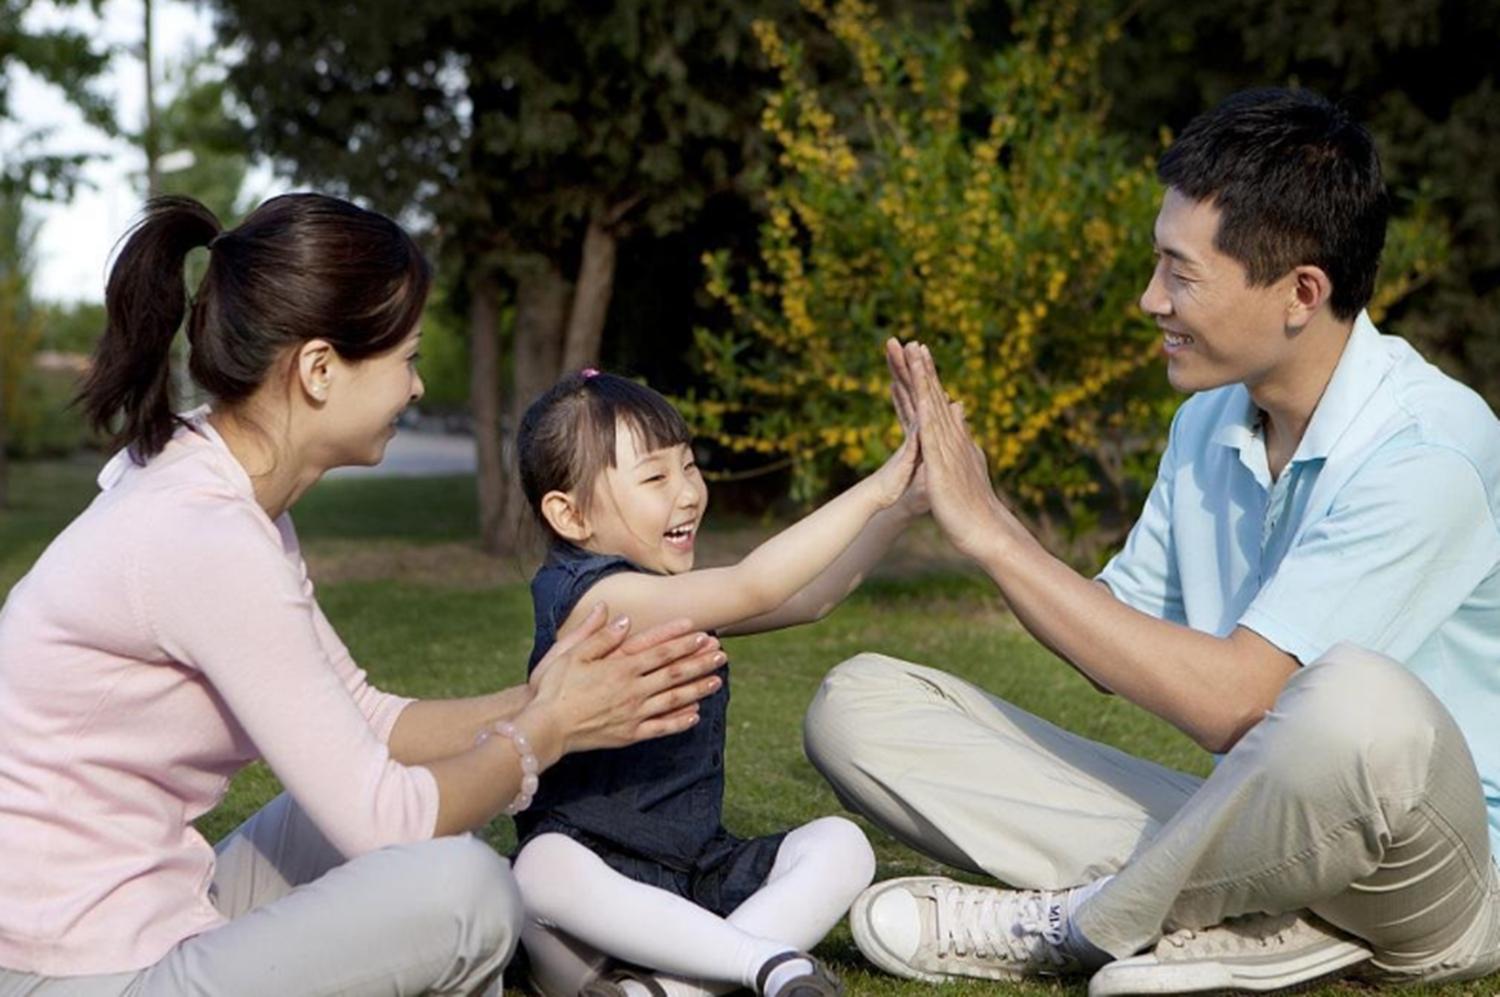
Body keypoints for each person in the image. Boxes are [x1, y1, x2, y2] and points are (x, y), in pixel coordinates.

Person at [804, 87, 1500, 995]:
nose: (1149, 299)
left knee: (1356, 701)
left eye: (1180, 272)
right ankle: (1258, 924)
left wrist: (996, 539)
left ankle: (1074, 925)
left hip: (1439, 872)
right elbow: (1112, 636)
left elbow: (1242, 703)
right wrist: (975, 515)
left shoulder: (1431, 448)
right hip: (1261, 828)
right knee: (856, 705)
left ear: (1301, 294)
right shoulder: (1208, 423)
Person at [0, 193, 727, 996]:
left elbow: (367, 718)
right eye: (407, 358)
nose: (417, 386)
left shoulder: (222, 490)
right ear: (318, 370)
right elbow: (392, 820)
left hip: (148, 909)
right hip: (63, 969)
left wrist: (550, 699)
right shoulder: (204, 537)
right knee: (464, 889)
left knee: (398, 813)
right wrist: (547, 729)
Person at [506, 370, 928, 996]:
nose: (687, 494)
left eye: (690, 466)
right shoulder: (594, 598)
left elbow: (808, 597)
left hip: (698, 874)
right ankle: (759, 965)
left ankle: (672, 991)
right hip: (590, 899)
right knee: (542, 867)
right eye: (655, 477)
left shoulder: (666, 592)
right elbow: (755, 585)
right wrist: (878, 486)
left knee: (843, 845)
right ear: (569, 514)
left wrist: (907, 503)